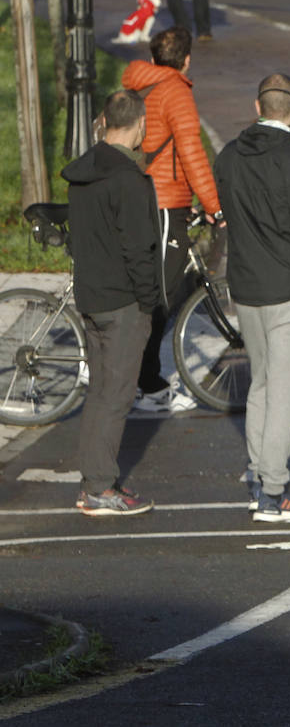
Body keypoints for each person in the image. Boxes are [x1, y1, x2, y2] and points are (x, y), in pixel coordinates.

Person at [213, 74, 290, 522]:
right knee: (283, 394)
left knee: (260, 385)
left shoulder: (228, 157)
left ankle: (257, 476)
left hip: (245, 287)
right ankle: (273, 493)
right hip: (287, 288)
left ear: (256, 106)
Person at [63, 92, 161, 517]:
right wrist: (149, 302)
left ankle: (93, 480)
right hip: (123, 302)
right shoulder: (130, 179)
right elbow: (140, 249)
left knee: (100, 393)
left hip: (91, 295)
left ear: (104, 121)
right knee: (116, 397)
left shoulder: (82, 174)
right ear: (139, 125)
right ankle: (100, 488)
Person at [120, 26, 222, 413]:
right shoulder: (176, 90)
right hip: (164, 200)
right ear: (187, 59)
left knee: (144, 289)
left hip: (139, 196)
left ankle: (135, 375)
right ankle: (148, 385)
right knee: (160, 296)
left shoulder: (137, 84)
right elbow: (192, 151)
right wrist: (213, 204)